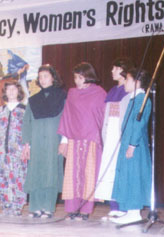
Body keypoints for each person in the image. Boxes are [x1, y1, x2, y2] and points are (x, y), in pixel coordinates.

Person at [58, 62, 107, 221]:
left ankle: (86, 210)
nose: (76, 81)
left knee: (89, 175)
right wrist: (64, 140)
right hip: (74, 139)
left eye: (80, 77)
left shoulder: (99, 93)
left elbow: (103, 117)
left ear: (87, 76)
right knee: (72, 175)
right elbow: (67, 117)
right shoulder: (72, 93)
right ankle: (72, 209)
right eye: (75, 77)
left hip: (91, 139)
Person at [22, 64, 66, 219]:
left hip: (54, 141)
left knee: (51, 173)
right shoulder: (33, 100)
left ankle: (48, 207)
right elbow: (26, 122)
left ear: (53, 78)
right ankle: (35, 207)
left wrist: (64, 142)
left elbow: (67, 121)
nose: (43, 79)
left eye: (46, 76)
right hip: (36, 142)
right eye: (40, 77)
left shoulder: (62, 97)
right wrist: (27, 143)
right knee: (36, 174)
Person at [110, 68, 152, 225]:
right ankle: (129, 210)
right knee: (126, 175)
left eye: (127, 79)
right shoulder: (133, 99)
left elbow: (139, 123)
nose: (125, 83)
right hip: (127, 143)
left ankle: (134, 212)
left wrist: (132, 145)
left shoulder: (142, 99)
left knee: (133, 176)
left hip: (135, 146)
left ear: (137, 82)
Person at [95, 58, 131, 219]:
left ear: (123, 70)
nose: (112, 71)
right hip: (110, 135)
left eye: (115, 68)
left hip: (121, 134)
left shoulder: (130, 90)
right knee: (109, 169)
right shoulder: (112, 91)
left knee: (121, 169)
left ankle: (124, 207)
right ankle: (114, 207)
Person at [0, 81, 28, 217]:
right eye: (8, 89)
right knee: (4, 177)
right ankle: (6, 206)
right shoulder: (1, 110)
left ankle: (17, 206)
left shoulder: (24, 109)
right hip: (3, 151)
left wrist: (27, 147)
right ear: (5, 92)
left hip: (18, 150)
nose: (11, 91)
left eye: (14, 89)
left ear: (19, 91)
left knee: (18, 177)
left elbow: (28, 130)